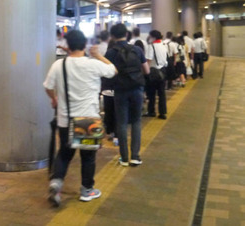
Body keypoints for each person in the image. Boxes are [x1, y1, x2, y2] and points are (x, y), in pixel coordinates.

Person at [44, 30, 116, 206]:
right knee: (88, 157)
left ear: (67, 46)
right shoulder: (93, 64)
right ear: (84, 45)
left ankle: (56, 182)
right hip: (88, 119)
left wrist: (54, 99)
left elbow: (48, 86)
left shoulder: (58, 65)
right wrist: (98, 54)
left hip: (65, 118)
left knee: (64, 154)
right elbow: (113, 70)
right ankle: (87, 190)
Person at [105, 23, 149, 167]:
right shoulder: (136, 49)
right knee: (136, 121)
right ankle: (135, 156)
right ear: (127, 34)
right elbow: (147, 71)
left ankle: (124, 158)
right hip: (137, 89)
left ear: (112, 36)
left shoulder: (110, 52)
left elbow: (105, 71)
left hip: (120, 91)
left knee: (122, 123)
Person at [144, 30, 168, 119]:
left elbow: (148, 61)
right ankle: (162, 113)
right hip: (163, 71)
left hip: (153, 72)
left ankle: (151, 111)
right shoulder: (163, 45)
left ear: (153, 37)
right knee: (162, 93)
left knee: (151, 93)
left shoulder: (151, 46)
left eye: (150, 36)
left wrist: (145, 71)